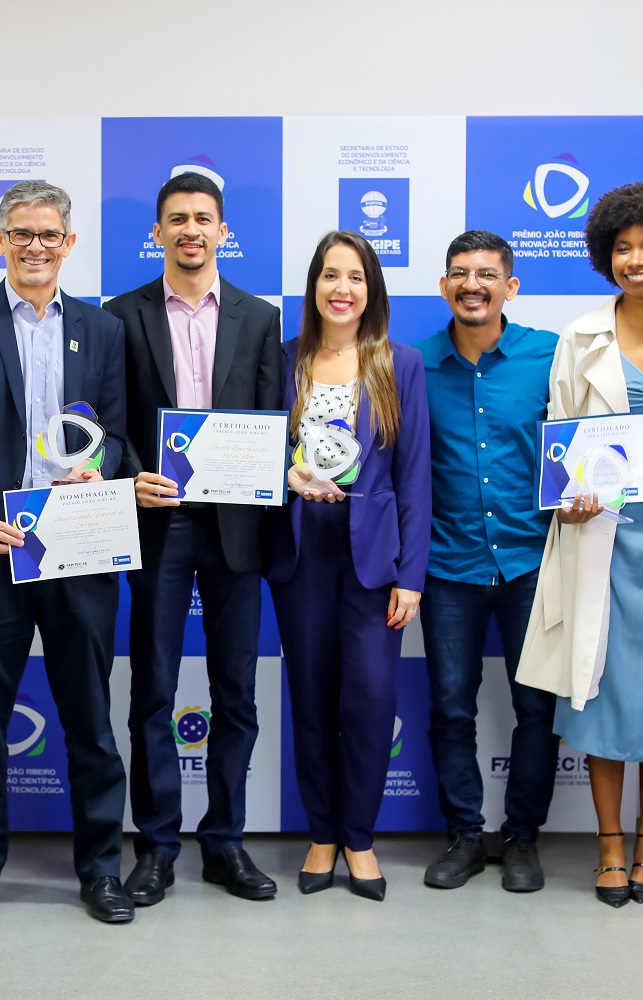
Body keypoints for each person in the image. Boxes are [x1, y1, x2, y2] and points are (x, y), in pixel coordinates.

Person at [0, 180, 133, 925]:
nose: (36, 246)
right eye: (21, 234)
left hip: (76, 546)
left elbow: (122, 434)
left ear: (69, 243)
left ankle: (102, 869)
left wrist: (102, 468)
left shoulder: (102, 330)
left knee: (91, 721)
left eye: (50, 235)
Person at [517, 181, 643, 908]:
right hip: (607, 535)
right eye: (623, 248)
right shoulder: (581, 336)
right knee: (602, 686)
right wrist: (569, 501)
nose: (637, 259)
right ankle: (609, 845)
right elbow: (560, 444)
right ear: (605, 255)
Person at [103, 171, 283, 905]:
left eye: (203, 218)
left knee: (236, 692)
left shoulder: (258, 315)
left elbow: (271, 418)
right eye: (176, 219)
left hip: (237, 526)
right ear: (157, 232)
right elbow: (109, 424)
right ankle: (156, 847)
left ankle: (226, 843)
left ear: (222, 230)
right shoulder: (121, 315)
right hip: (159, 522)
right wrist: (134, 473)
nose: (190, 230)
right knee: (153, 690)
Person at [263, 229, 430, 900]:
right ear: (313, 287)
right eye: (329, 275)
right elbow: (253, 451)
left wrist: (412, 576)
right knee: (309, 699)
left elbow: (416, 476)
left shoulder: (400, 364)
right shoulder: (283, 360)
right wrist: (286, 475)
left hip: (373, 559)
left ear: (371, 290)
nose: (341, 288)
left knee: (368, 701)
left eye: (355, 277)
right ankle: (322, 835)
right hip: (301, 551)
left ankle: (360, 839)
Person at [416, 231, 561, 893]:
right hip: (448, 567)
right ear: (445, 285)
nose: (471, 284)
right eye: (458, 274)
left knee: (538, 710)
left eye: (485, 273)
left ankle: (523, 838)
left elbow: (589, 443)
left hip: (532, 562)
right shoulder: (414, 365)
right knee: (451, 709)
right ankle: (466, 836)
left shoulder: (549, 357)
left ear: (511, 285)